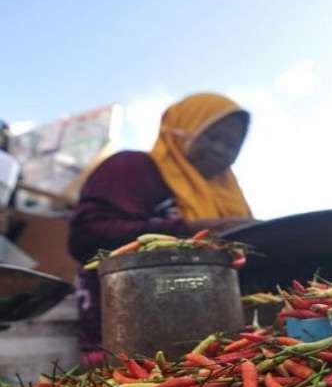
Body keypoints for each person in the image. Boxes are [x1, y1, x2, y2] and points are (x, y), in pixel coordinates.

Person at [68, 92, 255, 363]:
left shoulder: (229, 196)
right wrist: (190, 228)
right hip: (128, 336)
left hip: (219, 346)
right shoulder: (134, 167)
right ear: (183, 128)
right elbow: (86, 235)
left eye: (232, 145)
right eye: (212, 137)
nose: (221, 150)